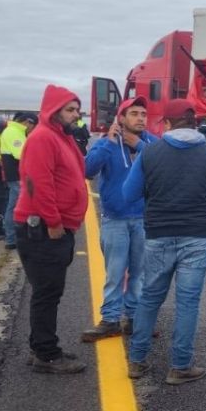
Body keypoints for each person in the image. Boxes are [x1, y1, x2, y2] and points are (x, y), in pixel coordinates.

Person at [123, 99, 206, 385]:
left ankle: (137, 361)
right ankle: (180, 366)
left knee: (150, 297)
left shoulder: (150, 154)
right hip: (198, 237)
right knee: (188, 302)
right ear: (195, 123)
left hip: (159, 235)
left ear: (166, 124)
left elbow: (129, 194)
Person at [14, 85, 88, 374]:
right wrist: (54, 222)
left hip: (52, 228)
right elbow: (36, 183)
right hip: (43, 229)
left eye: (77, 110)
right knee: (47, 292)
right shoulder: (44, 138)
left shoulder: (62, 138)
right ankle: (47, 354)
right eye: (70, 110)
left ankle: (40, 347)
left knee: (47, 292)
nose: (75, 115)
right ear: (53, 111)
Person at [81, 98, 157, 342]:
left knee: (139, 273)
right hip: (115, 219)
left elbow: (164, 164)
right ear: (121, 118)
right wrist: (109, 142)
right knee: (115, 274)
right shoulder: (106, 144)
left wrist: (140, 145)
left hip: (143, 220)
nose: (140, 118)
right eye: (134, 113)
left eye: (143, 114)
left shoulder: (153, 143)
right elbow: (87, 169)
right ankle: (111, 319)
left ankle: (133, 319)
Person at [1, 111, 38, 250]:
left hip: (16, 175)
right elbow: (22, 154)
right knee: (18, 207)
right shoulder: (13, 132)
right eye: (33, 127)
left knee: (13, 206)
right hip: (17, 176)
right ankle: (12, 238)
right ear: (28, 122)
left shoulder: (15, 131)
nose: (32, 131)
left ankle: (12, 238)